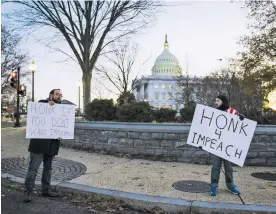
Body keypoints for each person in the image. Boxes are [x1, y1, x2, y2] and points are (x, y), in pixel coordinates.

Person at [24, 89, 62, 203]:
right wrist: (47, 105)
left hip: (52, 144)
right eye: (57, 94)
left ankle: (46, 190)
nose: (59, 96)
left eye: (60, 95)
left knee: (48, 169)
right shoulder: (42, 103)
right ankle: (28, 191)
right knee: (33, 168)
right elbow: (36, 110)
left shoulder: (62, 109)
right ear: (51, 95)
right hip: (39, 144)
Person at [209, 95, 244, 196]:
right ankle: (213, 186)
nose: (215, 102)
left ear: (223, 101)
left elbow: (241, 123)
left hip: (228, 145)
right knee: (215, 166)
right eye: (215, 100)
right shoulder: (213, 113)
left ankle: (230, 185)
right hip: (217, 145)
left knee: (228, 167)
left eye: (217, 100)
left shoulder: (232, 112)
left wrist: (242, 117)